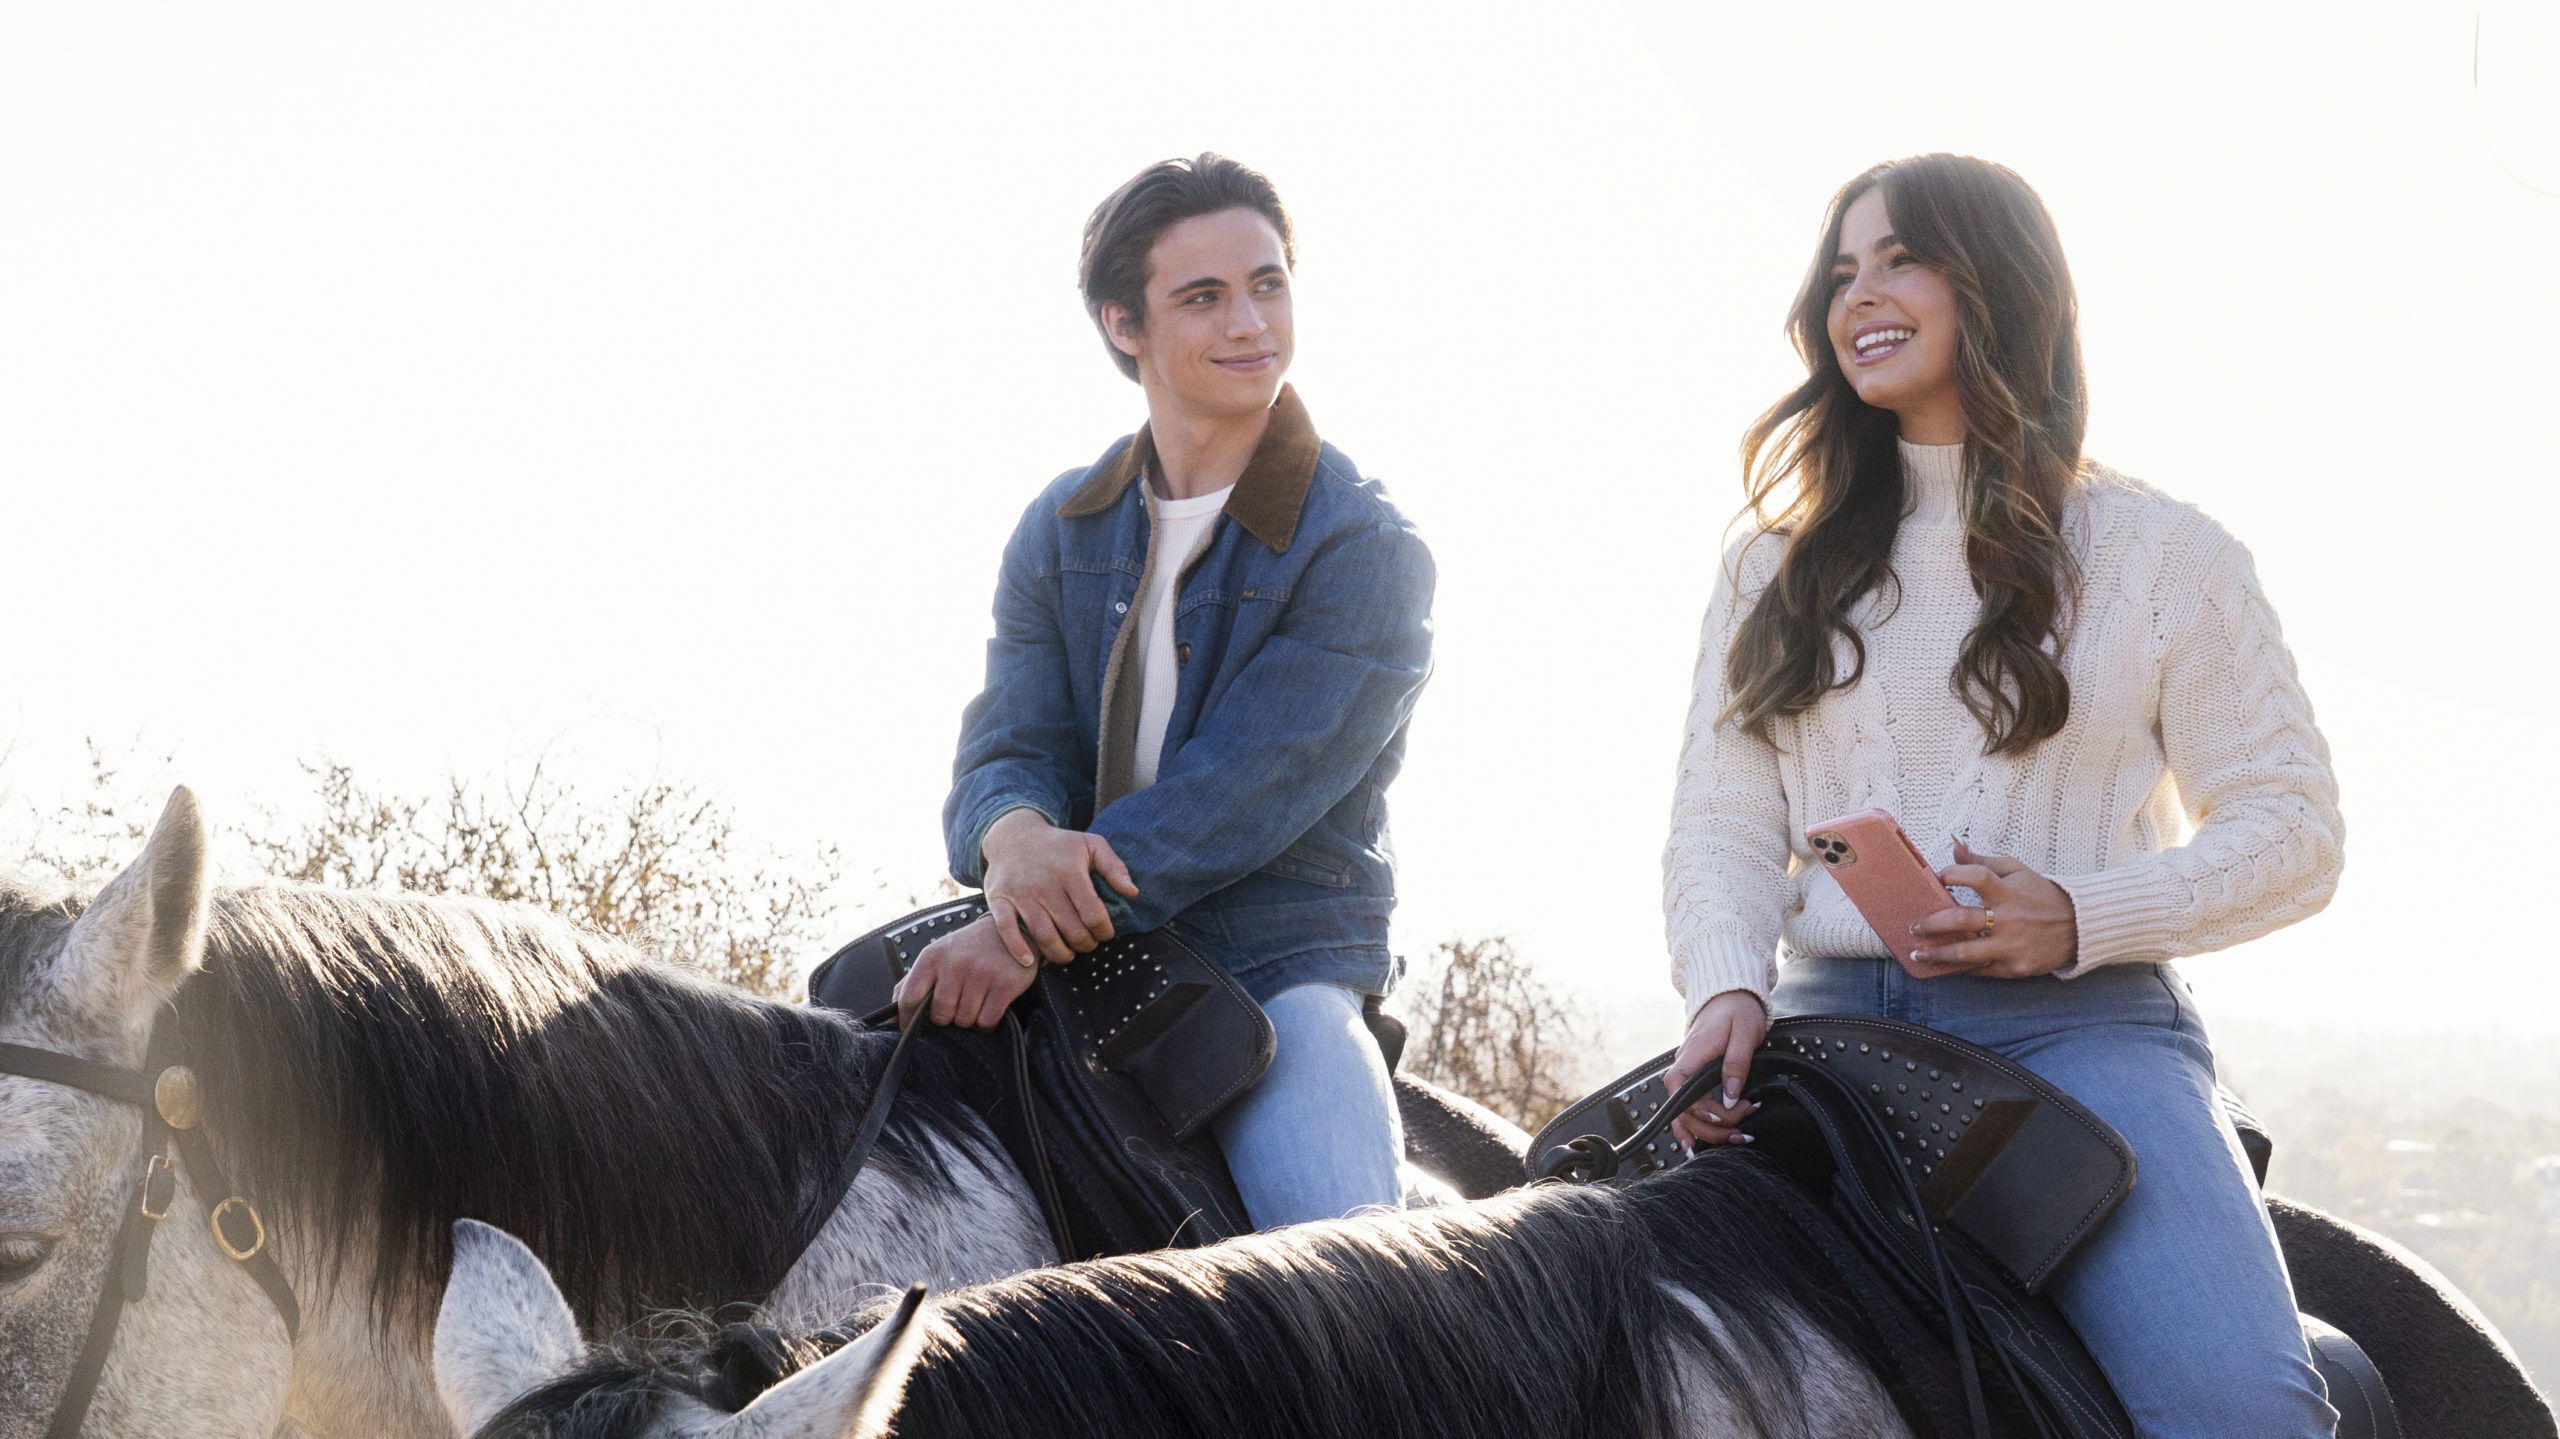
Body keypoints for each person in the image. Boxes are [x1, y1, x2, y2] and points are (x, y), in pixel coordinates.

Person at [1659, 153, 2345, 1436]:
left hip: (2079, 1039)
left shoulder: (2164, 554)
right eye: (1841, 272)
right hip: (1821, 1035)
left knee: (2240, 1407)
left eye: (1901, 259)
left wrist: (2078, 912)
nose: (1860, 295)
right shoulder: (1769, 567)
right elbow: (1722, 818)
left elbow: (2293, 830)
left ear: (2001, 284)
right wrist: (1723, 990)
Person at [895, 153, 1435, 1231]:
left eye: (1268, 285)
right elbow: (1008, 739)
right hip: (1064, 936)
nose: (1250, 323)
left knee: (1340, 1268)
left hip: (1272, 965)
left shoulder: (1366, 547)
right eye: (1204, 296)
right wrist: (1011, 837)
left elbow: (1237, 793)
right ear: (1123, 324)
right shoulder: (1063, 525)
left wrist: (1021, 930)